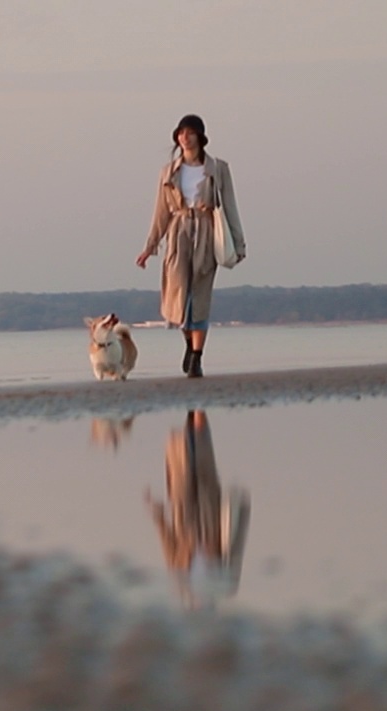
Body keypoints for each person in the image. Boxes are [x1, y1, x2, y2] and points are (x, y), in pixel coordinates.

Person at [135, 114, 246, 378]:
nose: (185, 137)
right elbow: (160, 213)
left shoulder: (218, 168)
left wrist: (238, 243)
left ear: (200, 137)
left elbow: (230, 206)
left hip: (206, 232)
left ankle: (197, 357)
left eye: (190, 133)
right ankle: (188, 342)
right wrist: (149, 247)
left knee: (200, 295)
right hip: (178, 233)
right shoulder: (168, 171)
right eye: (181, 133)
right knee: (178, 296)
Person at [144, 410, 249, 610]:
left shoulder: (180, 578)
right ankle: (197, 406)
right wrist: (240, 508)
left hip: (183, 512)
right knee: (201, 456)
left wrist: (156, 512)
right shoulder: (226, 582)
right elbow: (236, 545)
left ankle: (193, 409)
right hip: (209, 513)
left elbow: (168, 542)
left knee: (182, 461)